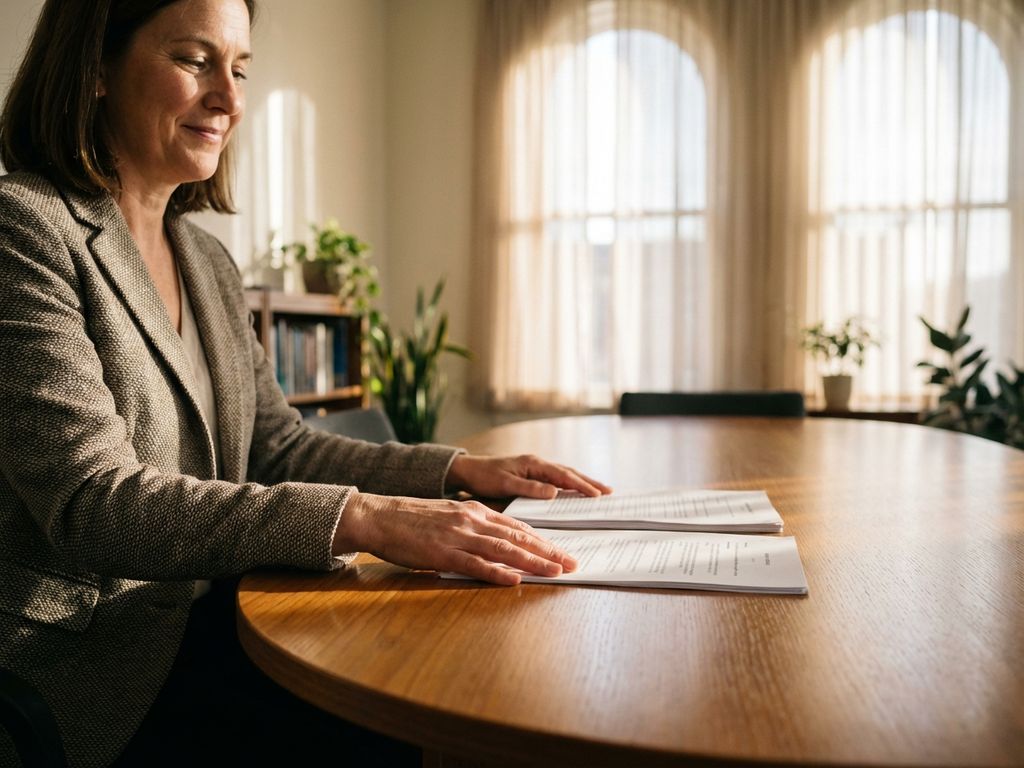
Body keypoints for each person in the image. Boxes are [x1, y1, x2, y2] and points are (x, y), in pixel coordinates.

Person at [0, 1, 611, 766]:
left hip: (221, 617)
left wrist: (457, 471)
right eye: (194, 60)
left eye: (240, 68)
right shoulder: (24, 229)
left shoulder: (208, 263)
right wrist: (365, 517)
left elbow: (279, 447)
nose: (228, 96)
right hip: (95, 671)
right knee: (398, 727)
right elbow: (93, 501)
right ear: (95, 67)